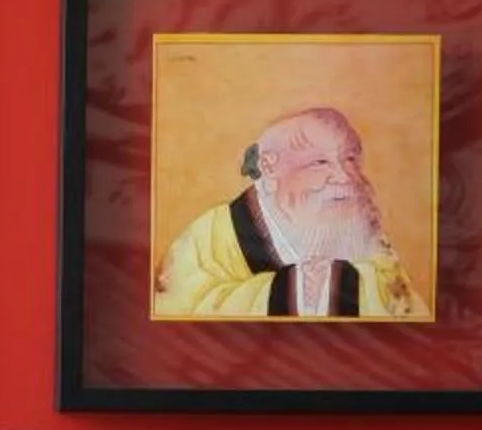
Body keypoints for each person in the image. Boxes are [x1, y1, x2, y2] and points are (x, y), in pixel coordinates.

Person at [152, 105, 427, 320]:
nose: (345, 177)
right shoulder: (207, 239)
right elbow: (180, 312)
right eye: (320, 162)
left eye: (350, 159)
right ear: (270, 167)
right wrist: (293, 290)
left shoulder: (359, 227)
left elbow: (404, 309)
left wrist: (340, 283)